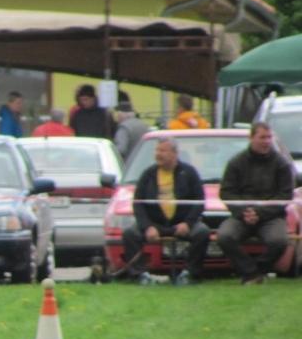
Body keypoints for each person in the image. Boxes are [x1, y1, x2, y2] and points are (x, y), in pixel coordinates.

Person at [122, 138, 209, 285]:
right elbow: (138, 204)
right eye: (157, 150)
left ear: (174, 153)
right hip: (155, 224)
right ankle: (139, 275)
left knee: (202, 232)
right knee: (130, 234)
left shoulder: (189, 172)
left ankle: (191, 274)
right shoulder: (148, 174)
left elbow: (199, 202)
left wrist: (188, 223)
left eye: (162, 151)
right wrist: (147, 226)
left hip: (181, 224)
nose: (158, 154)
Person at [217, 122, 294, 284]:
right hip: (242, 216)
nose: (266, 141)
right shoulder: (236, 162)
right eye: (262, 137)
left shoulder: (281, 164)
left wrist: (259, 213)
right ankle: (251, 272)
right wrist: (244, 211)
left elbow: (285, 195)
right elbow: (227, 192)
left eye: (269, 137)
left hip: (271, 217)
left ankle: (257, 270)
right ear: (251, 138)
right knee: (224, 236)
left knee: (279, 241)